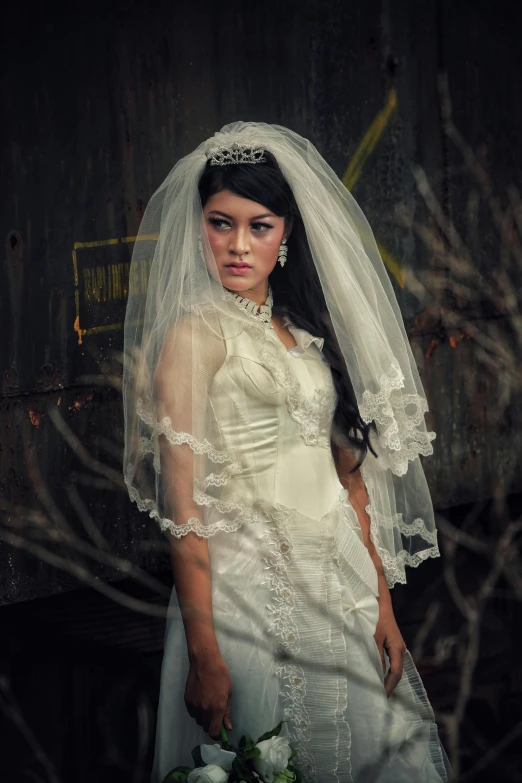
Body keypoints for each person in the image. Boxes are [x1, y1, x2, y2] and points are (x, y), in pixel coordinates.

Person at [123, 122, 450, 782]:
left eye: (260, 225)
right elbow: (184, 508)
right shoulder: (193, 336)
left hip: (340, 589)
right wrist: (205, 650)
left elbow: (348, 477)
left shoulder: (301, 329)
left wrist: (382, 606)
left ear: (288, 232)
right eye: (221, 223)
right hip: (250, 597)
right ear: (200, 225)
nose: (239, 245)